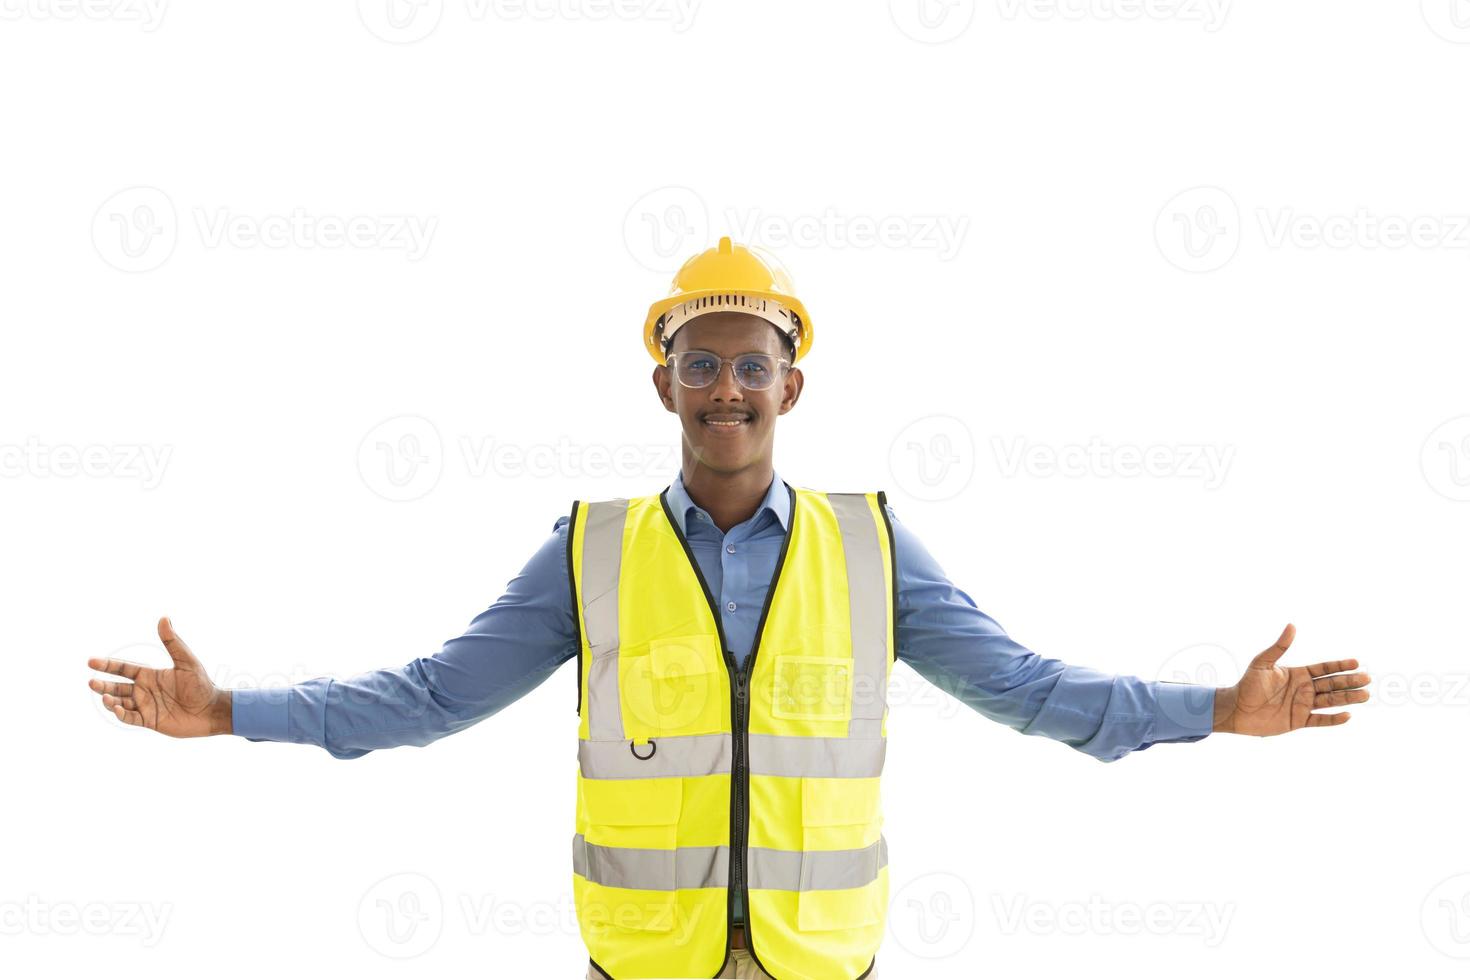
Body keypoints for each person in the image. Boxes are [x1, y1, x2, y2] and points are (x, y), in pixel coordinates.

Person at [87, 237, 1372, 980]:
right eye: (699, 364)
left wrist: (1217, 709)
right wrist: (230, 711)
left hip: (826, 964)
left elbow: (1032, 688)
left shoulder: (871, 543)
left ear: (790, 386)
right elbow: (428, 698)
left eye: (748, 366)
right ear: (664, 384)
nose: (725, 389)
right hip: (643, 963)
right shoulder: (585, 551)